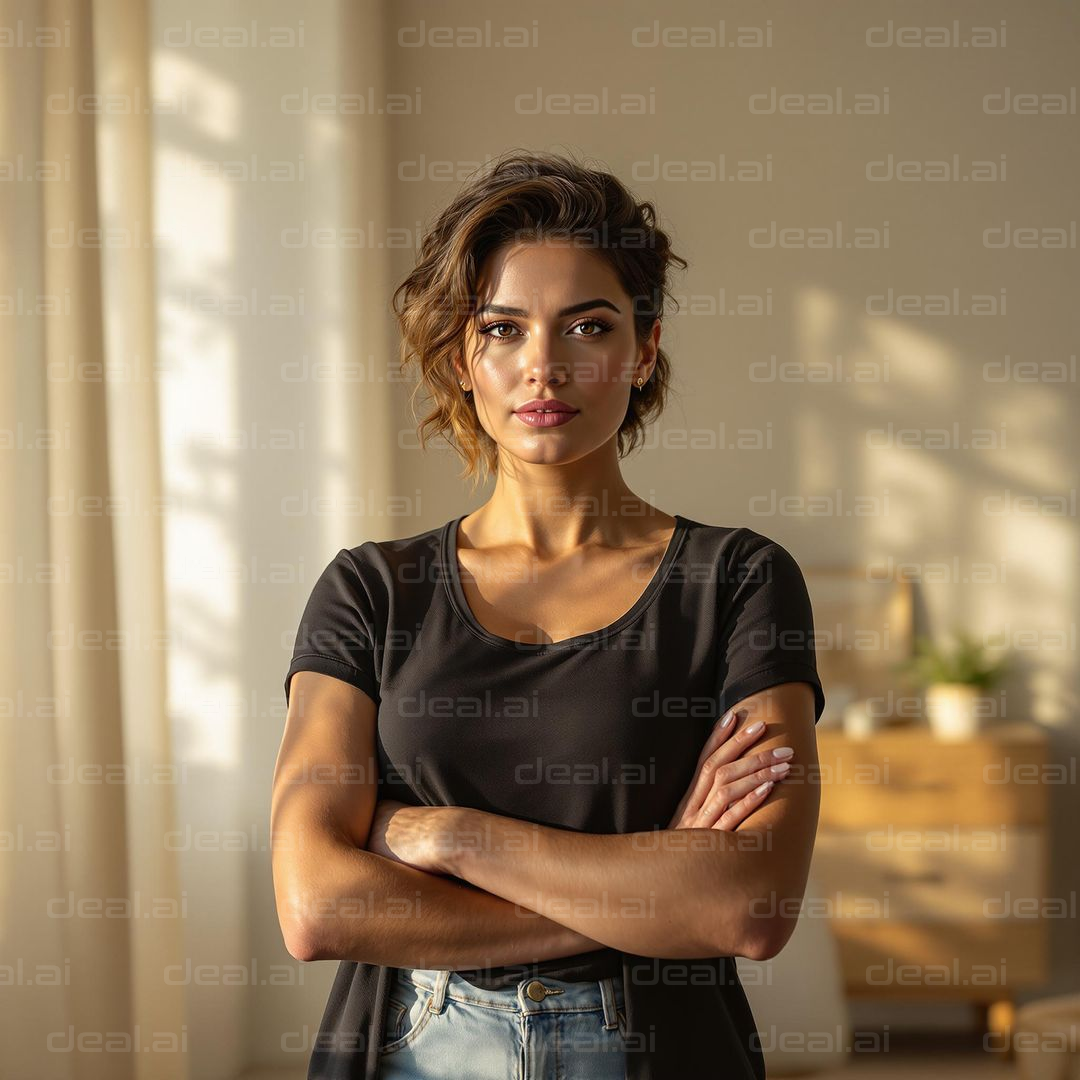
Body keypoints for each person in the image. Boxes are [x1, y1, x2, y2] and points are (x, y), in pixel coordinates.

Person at [272, 149, 826, 1080]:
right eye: (503, 328)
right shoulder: (370, 589)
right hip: (406, 1048)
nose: (544, 366)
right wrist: (652, 887)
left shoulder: (738, 580)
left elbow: (747, 909)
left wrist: (444, 836)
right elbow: (318, 907)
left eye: (588, 326)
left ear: (642, 351)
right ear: (464, 358)